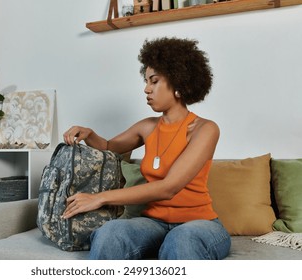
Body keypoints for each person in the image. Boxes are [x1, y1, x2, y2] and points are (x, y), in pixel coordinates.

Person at [62, 37, 231, 260]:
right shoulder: (147, 127)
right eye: (146, 81)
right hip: (154, 224)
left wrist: (101, 197)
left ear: (179, 83)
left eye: (154, 81)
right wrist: (89, 134)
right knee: (110, 233)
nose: (146, 89)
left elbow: (169, 187)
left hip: (199, 225)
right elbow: (110, 148)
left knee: (181, 239)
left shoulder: (205, 129)